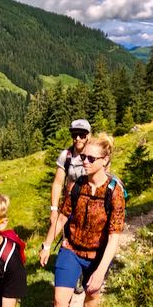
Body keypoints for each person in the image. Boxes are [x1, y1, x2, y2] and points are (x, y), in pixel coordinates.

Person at [36, 132, 125, 307]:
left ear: (105, 160)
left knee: (92, 293)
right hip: (71, 249)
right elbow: (63, 217)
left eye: (90, 158)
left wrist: (102, 270)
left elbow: (115, 235)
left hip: (97, 254)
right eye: (83, 157)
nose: (84, 161)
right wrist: (46, 245)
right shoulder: (76, 186)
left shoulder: (114, 191)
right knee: (59, 299)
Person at [51, 118, 91, 294]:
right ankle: (67, 275)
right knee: (67, 238)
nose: (78, 139)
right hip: (69, 207)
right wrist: (54, 209)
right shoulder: (66, 156)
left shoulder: (94, 156)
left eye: (82, 135)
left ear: (88, 136)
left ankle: (84, 273)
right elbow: (58, 183)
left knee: (86, 240)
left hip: (90, 208)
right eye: (75, 135)